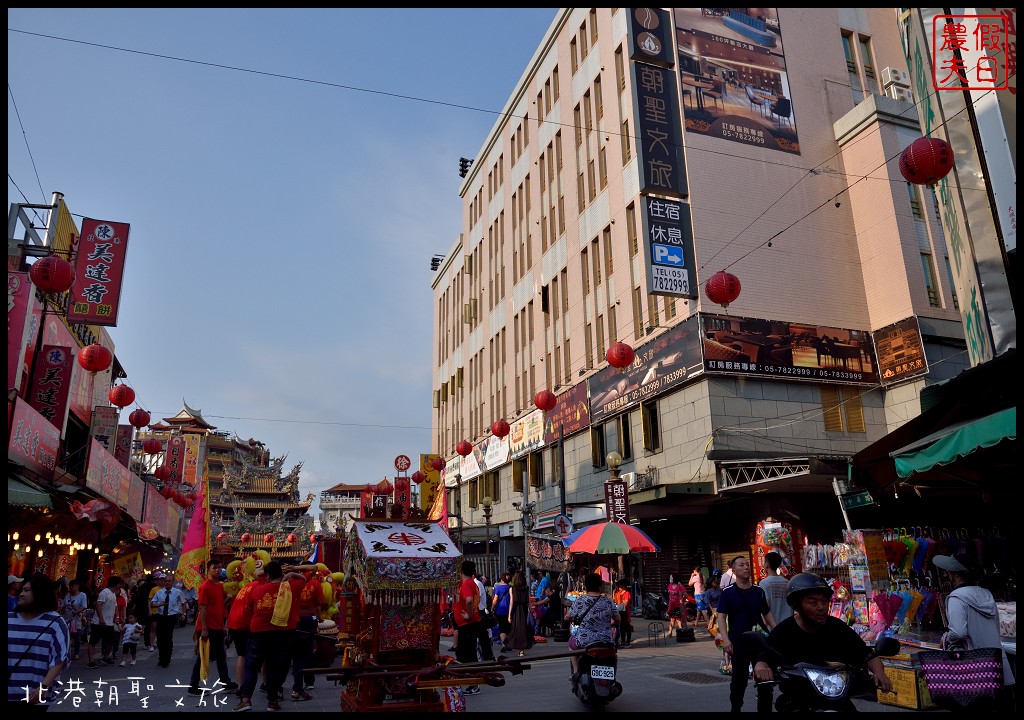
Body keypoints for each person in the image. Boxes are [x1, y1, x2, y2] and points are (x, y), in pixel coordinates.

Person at [753, 573, 893, 707]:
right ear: (797, 605)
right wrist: (762, 669)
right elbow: (764, 659)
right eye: (812, 602)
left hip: (836, 698)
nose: (821, 607)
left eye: (824, 601)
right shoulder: (783, 631)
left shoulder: (837, 627)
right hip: (797, 699)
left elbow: (867, 654)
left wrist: (879, 672)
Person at [933, 553, 1015, 711]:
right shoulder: (986, 594)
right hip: (996, 662)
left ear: (954, 574)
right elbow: (995, 627)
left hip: (974, 667)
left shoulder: (956, 598)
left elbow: (958, 633)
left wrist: (945, 637)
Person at [234, 561, 306, 713]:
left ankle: (246, 700)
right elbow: (303, 580)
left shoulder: (256, 590)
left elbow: (248, 611)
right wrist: (292, 573)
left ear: (267, 576)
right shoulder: (291, 587)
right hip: (284, 634)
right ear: (281, 574)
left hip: (259, 634)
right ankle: (272, 701)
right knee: (277, 667)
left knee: (252, 667)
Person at [716, 556, 777, 713]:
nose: (746, 567)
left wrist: (776, 633)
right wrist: (726, 639)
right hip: (739, 642)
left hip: (760, 642)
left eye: (747, 564)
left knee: (764, 679)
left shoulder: (758, 591)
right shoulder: (728, 593)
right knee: (739, 680)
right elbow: (721, 616)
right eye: (742, 565)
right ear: (734, 571)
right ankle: (735, 707)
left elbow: (767, 613)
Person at [7, 573, 70, 709]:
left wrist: (44, 686)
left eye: (27, 590)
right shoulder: (9, 619)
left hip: (35, 696)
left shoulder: (55, 622)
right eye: (22, 590)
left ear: (41, 593)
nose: (22, 594)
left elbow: (59, 659)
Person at [188, 561, 237, 695]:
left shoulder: (220, 586)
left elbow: (223, 603)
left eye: (219, 567)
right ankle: (193, 686)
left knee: (221, 656)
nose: (217, 570)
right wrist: (204, 629)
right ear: (208, 570)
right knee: (203, 657)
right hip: (207, 628)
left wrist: (222, 624)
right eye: (214, 567)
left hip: (217, 626)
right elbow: (202, 608)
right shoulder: (205, 586)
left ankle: (226, 683)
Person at [285, 563, 326, 700]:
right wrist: (319, 617)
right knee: (308, 650)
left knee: (294, 652)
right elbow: (319, 603)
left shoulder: (291, 581)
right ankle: (309, 681)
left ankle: (289, 685)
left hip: (295, 620)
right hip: (310, 618)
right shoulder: (313, 582)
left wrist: (292, 569)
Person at [566, 573, 618, 679]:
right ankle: (612, 675)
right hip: (606, 641)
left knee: (571, 644)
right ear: (600, 586)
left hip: (585, 641)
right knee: (614, 655)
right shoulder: (608, 601)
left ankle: (576, 671)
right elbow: (618, 619)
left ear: (586, 587)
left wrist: (575, 619)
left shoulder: (580, 600)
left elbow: (567, 617)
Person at [453, 560, 484, 696]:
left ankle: (473, 684)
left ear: (461, 570)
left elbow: (469, 600)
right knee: (464, 653)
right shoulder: (469, 583)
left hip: (468, 624)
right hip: (467, 625)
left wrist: (469, 614)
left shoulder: (467, 584)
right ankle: (468, 682)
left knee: (467, 654)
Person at [149, 573, 186, 668]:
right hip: (161, 616)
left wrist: (183, 614)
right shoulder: (159, 592)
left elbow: (183, 603)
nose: (167, 583)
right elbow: (152, 604)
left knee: (168, 638)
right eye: (165, 581)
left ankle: (166, 659)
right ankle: (161, 658)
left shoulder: (177, 592)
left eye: (169, 581)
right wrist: (159, 605)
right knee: (160, 639)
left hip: (171, 617)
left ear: (172, 582)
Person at [86, 576, 122, 668]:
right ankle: (91, 661)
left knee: (110, 641)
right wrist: (101, 618)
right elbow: (98, 605)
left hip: (109, 622)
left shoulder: (113, 594)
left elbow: (115, 606)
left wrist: (117, 617)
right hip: (99, 622)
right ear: (116, 584)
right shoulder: (104, 592)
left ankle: (106, 657)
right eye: (119, 584)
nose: (120, 586)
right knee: (93, 641)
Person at [504, 571, 533, 657]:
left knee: (515, 629)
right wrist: (530, 610)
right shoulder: (527, 588)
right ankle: (522, 650)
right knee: (523, 630)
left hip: (515, 611)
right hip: (524, 610)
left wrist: (509, 615)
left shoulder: (512, 589)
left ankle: (513, 645)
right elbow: (528, 601)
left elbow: (511, 602)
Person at [759, 552, 792, 624]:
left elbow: (765, 608)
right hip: (788, 625)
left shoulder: (764, 583)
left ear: (766, 564)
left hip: (773, 628)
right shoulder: (787, 582)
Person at [62, 580, 88, 662]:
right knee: (66, 636)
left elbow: (84, 606)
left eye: (72, 586)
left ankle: (76, 653)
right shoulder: (68, 595)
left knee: (76, 637)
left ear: (77, 586)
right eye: (70, 586)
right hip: (67, 618)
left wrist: (77, 612)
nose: (71, 588)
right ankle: (66, 652)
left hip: (76, 619)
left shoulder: (82, 595)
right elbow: (63, 605)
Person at [491, 573, 512, 649]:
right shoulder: (511, 588)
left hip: (500, 610)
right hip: (509, 610)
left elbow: (495, 600)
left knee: (502, 628)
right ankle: (508, 643)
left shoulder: (498, 588)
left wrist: (492, 608)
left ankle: (504, 644)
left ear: (502, 579)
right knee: (508, 628)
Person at [613, 579, 633, 647]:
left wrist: (621, 602)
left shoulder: (627, 593)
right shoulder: (617, 593)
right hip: (620, 612)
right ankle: (623, 641)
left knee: (627, 626)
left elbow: (626, 603)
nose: (619, 588)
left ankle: (628, 641)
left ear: (624, 586)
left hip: (626, 611)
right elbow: (616, 602)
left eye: (620, 586)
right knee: (621, 627)